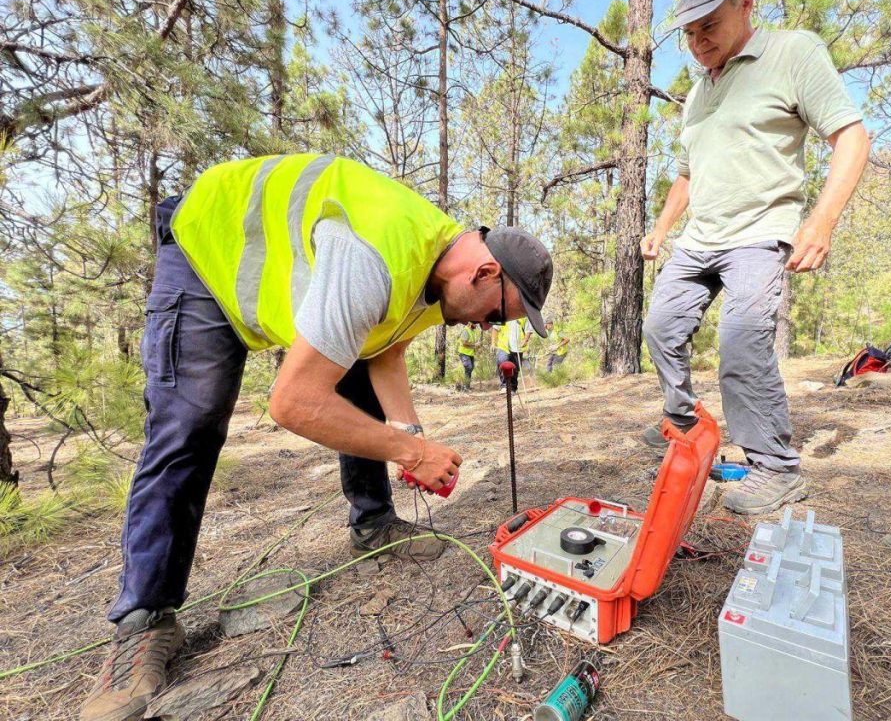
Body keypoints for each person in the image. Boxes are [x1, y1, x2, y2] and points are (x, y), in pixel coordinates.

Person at [80, 154, 552, 721]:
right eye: (500, 315)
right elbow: (293, 401)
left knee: (349, 363)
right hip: (208, 248)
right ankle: (143, 621)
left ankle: (373, 522)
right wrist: (413, 452)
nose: (490, 328)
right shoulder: (376, 256)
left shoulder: (439, 276)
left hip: (284, 271)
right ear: (484, 273)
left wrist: (408, 432)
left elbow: (384, 346)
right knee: (191, 422)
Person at [640, 0, 869, 516]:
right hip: (701, 236)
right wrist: (663, 226)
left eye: (708, 28)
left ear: (747, 4)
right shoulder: (698, 91)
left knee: (741, 342)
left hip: (759, 231)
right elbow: (689, 170)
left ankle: (775, 466)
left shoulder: (793, 52)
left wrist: (822, 219)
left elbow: (852, 136)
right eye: (689, 35)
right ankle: (684, 421)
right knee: (661, 327)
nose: (697, 44)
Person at [493, 317, 526, 392]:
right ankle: (504, 385)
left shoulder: (523, 316)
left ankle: (513, 387)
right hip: (503, 345)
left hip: (517, 347)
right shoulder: (502, 314)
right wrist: (493, 343)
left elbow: (528, 331)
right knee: (502, 362)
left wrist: (525, 340)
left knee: (515, 368)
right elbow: (495, 328)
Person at [456, 323, 482, 390]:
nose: (476, 325)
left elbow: (471, 343)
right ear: (470, 323)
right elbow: (464, 343)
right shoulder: (466, 331)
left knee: (470, 368)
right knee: (468, 368)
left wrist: (476, 346)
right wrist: (475, 344)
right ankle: (465, 387)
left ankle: (466, 386)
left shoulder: (472, 331)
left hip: (470, 353)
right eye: (475, 324)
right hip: (464, 353)